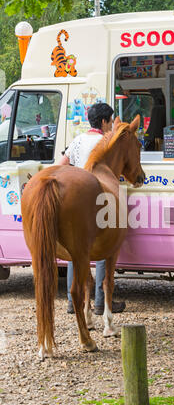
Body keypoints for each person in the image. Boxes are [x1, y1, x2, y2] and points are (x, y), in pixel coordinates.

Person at [59, 102, 126, 315]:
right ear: (105, 121)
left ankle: (73, 300)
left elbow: (62, 165)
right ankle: (100, 301)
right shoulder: (106, 141)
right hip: (101, 197)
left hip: (76, 199)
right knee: (104, 246)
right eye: (110, 121)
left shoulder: (77, 140)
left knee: (74, 248)